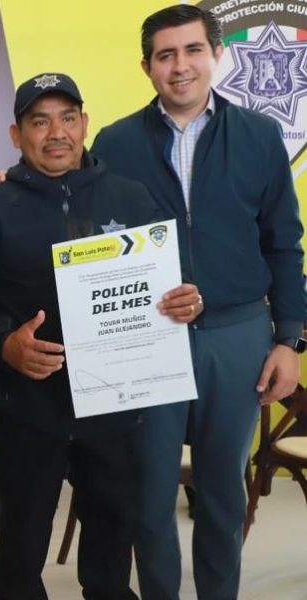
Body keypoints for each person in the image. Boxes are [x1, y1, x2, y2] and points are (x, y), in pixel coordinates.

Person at [0, 73, 201, 600]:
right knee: (20, 543)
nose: (56, 132)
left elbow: (174, 281)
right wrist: (4, 343)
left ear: (85, 124)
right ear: (16, 135)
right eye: (39, 122)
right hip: (29, 405)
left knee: (113, 537)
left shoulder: (132, 199)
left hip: (115, 406)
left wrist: (187, 302)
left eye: (67, 118)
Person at [92, 5, 306, 599]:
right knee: (150, 496)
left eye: (192, 51)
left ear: (217, 55)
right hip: (149, 336)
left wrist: (289, 340)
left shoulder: (260, 136)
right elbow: (89, 234)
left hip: (237, 336)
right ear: (147, 67)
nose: (180, 66)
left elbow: (284, 243)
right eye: (165, 55)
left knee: (222, 494)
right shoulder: (114, 142)